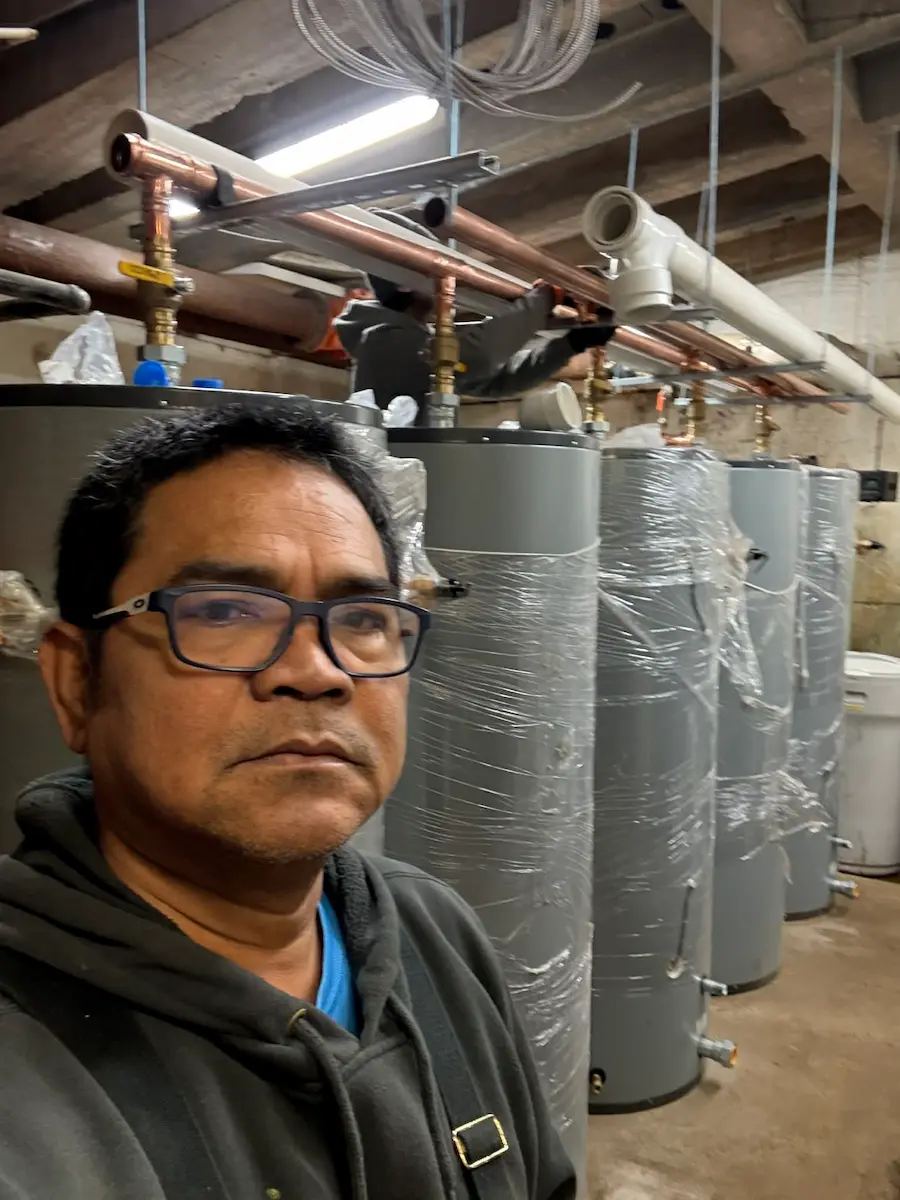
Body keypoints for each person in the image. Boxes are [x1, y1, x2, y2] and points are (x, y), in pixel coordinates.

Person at [0, 402, 576, 1200]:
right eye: (225, 611)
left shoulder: (434, 933)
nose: (317, 671)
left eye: (365, 617)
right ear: (75, 681)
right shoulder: (27, 1089)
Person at [333, 210, 616, 420]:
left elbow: (502, 379)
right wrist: (545, 298)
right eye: (436, 274)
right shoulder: (383, 342)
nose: (448, 286)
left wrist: (570, 345)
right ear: (404, 282)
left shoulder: (412, 342)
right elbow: (477, 357)